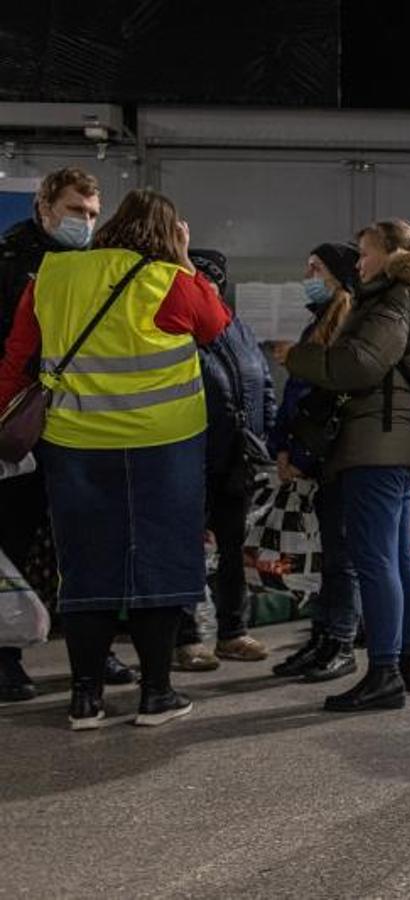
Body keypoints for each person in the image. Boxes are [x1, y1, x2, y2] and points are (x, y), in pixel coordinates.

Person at [0, 188, 232, 729]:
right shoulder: (172, 281)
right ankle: (156, 696)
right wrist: (183, 260)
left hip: (75, 446)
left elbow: (17, 357)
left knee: (84, 568)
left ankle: (85, 699)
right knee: (157, 565)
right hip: (164, 449)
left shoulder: (52, 276)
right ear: (171, 234)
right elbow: (217, 325)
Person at [285, 219, 410, 712]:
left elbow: (360, 364)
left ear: (392, 254)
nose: (358, 263)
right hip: (398, 443)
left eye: (364, 254)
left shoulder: (397, 298)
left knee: (375, 560)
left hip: (376, 443)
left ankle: (383, 672)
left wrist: (298, 357)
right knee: (397, 556)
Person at [0, 166, 137, 702]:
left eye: (92, 214)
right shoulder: (10, 263)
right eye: (76, 211)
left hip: (76, 420)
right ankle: (5, 654)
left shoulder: (91, 265)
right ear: (45, 207)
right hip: (21, 418)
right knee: (10, 540)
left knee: (77, 543)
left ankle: (93, 649)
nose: (85, 222)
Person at [167, 249, 276, 671]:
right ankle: (186, 638)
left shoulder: (239, 330)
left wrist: (261, 432)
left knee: (233, 551)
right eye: (195, 278)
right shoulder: (176, 328)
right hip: (188, 457)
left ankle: (233, 631)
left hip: (236, 460)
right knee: (184, 550)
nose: (203, 286)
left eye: (209, 280)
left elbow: (263, 382)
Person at [269, 242, 363, 682]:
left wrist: (300, 455)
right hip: (310, 458)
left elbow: (326, 402)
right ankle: (322, 637)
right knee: (326, 557)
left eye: (317, 268)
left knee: (340, 559)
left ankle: (340, 640)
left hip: (333, 461)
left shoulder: (345, 325)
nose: (308, 275)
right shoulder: (318, 325)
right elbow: (296, 399)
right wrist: (282, 449)